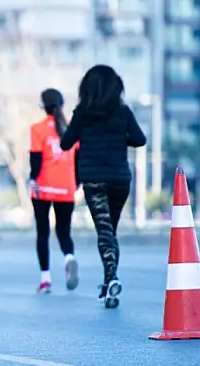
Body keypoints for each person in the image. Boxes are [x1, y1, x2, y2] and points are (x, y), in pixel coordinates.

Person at [60, 64, 146, 310]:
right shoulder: (123, 112)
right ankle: (108, 282)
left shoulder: (82, 114)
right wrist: (120, 138)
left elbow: (66, 144)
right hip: (120, 178)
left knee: (104, 232)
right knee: (111, 231)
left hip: (94, 179)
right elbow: (140, 139)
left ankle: (112, 279)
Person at [29, 89, 79, 294]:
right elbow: (79, 159)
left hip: (44, 187)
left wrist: (32, 178)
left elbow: (36, 159)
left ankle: (45, 279)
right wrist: (77, 183)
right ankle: (69, 258)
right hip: (66, 186)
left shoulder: (37, 129)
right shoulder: (72, 128)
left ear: (42, 106)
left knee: (43, 232)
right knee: (64, 231)